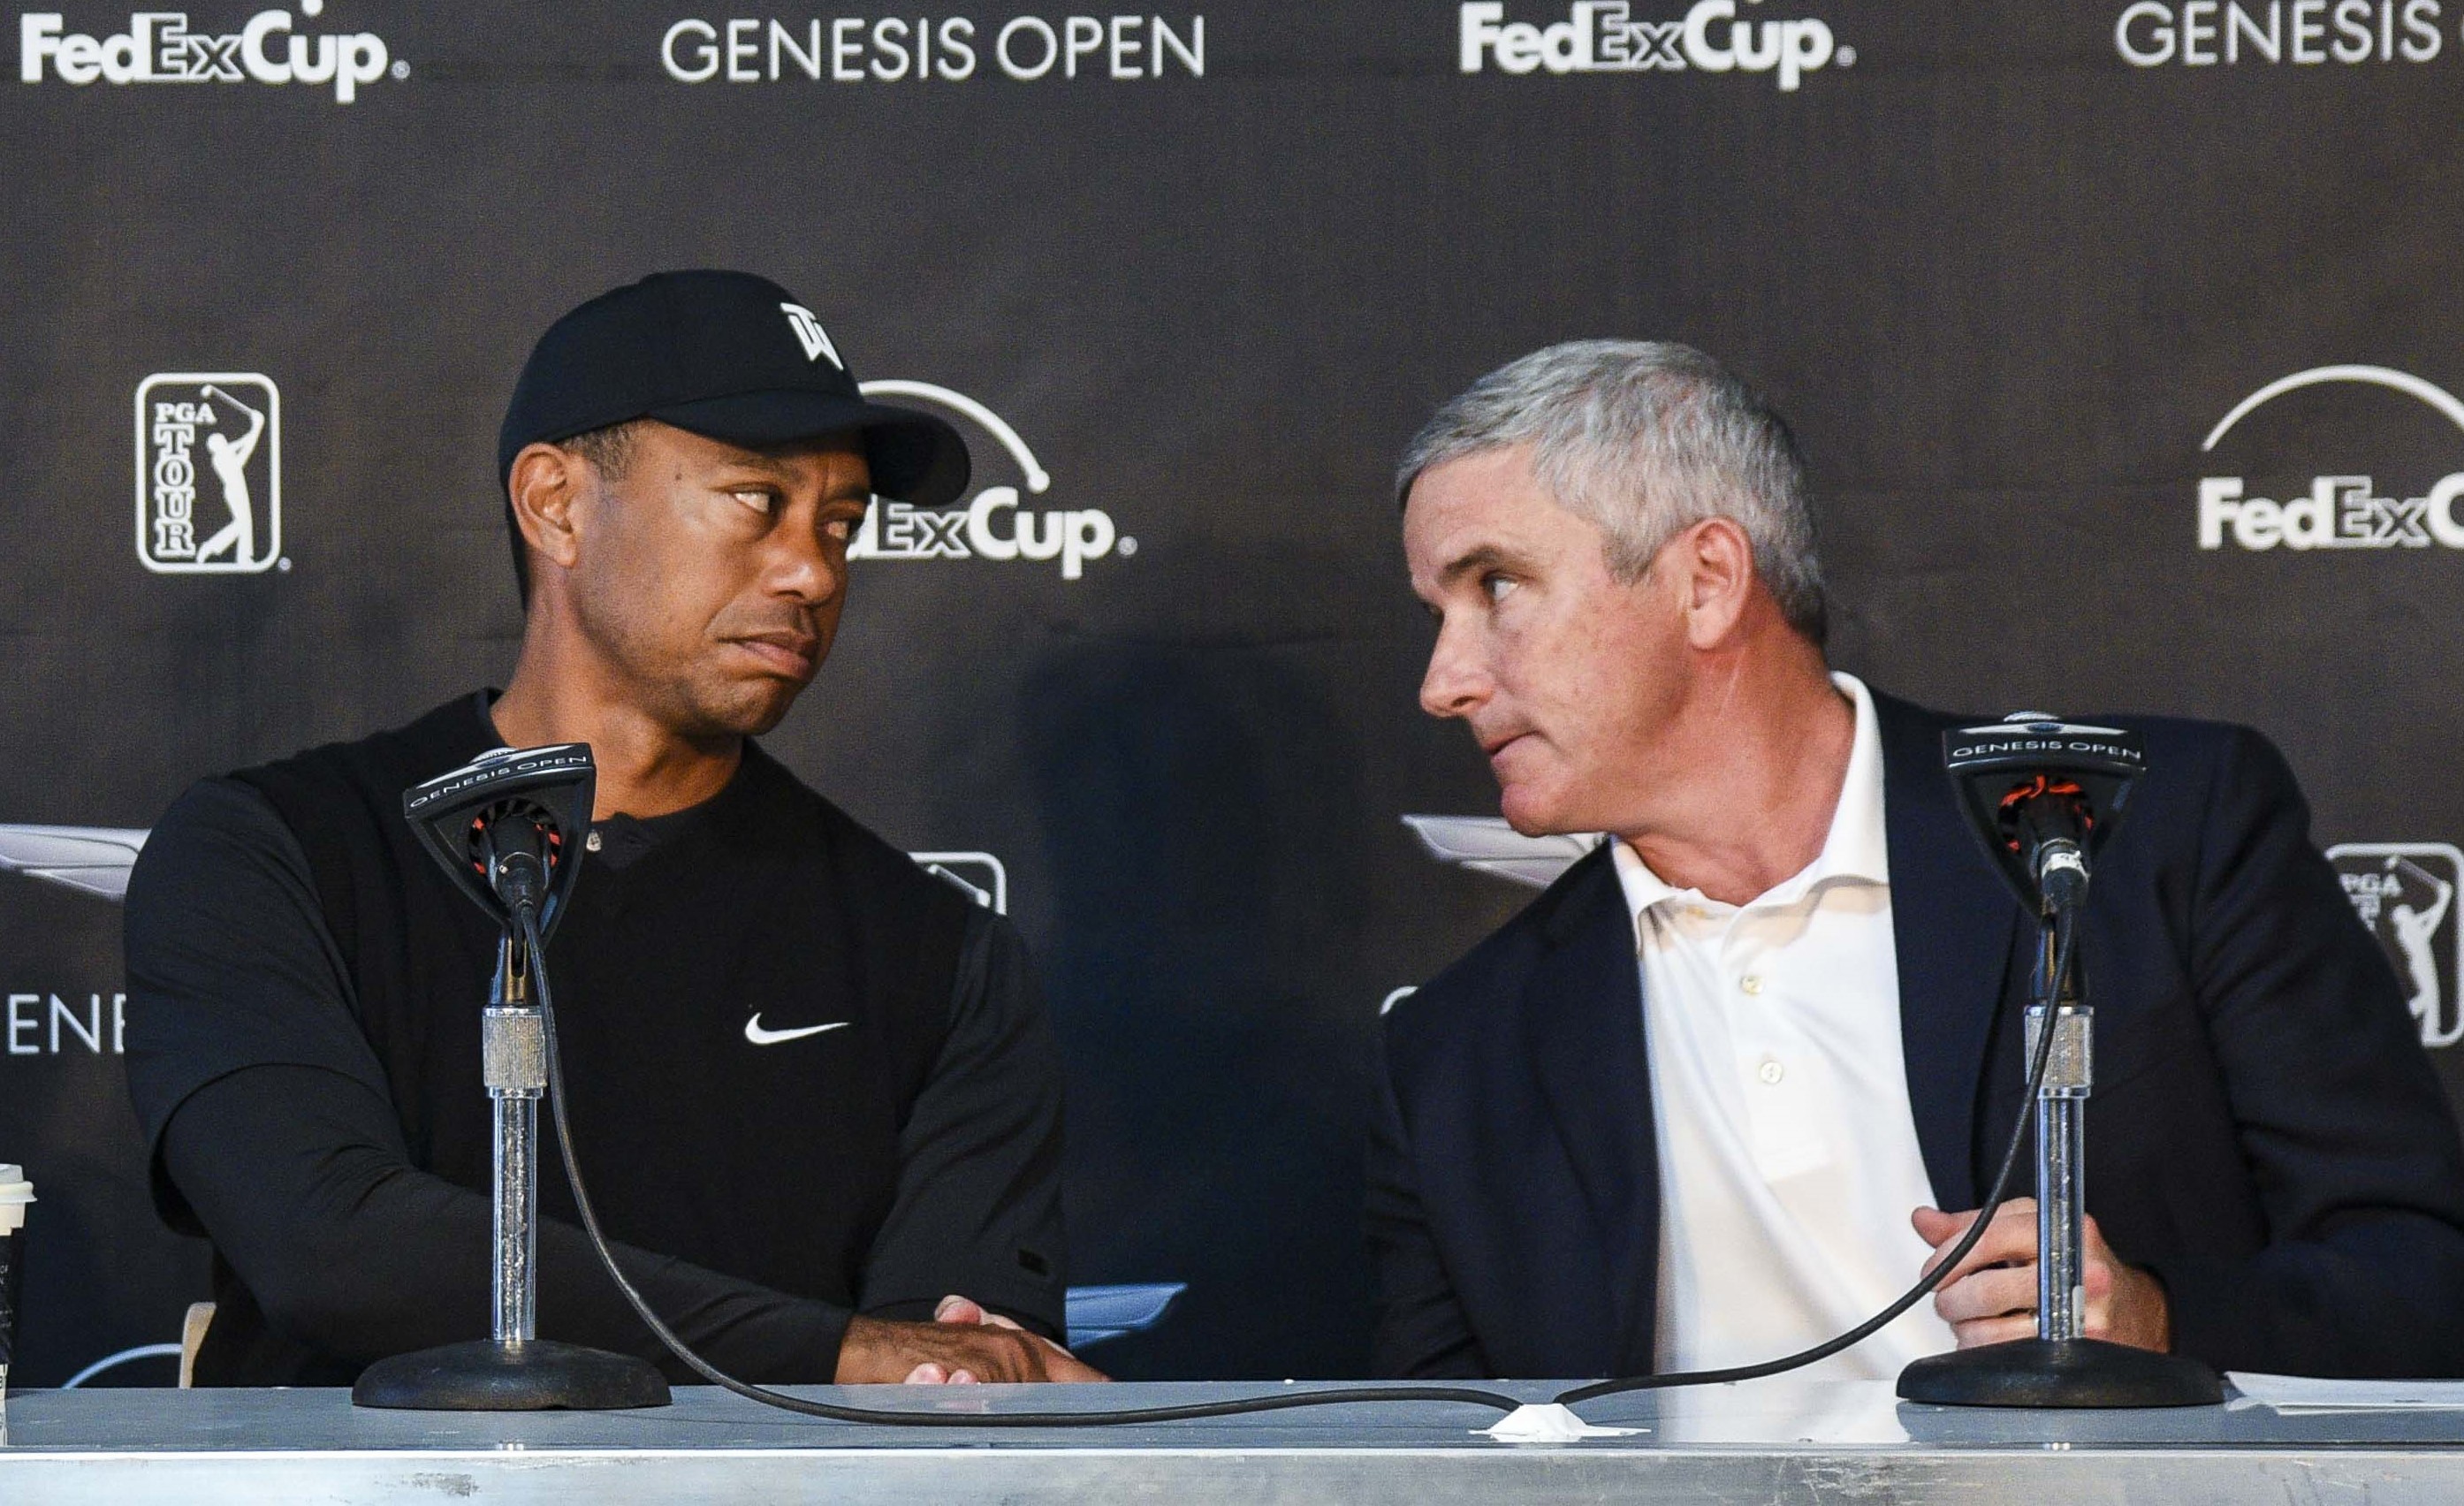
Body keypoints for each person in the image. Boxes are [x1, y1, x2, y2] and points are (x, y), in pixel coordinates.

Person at [1370, 339, 2464, 1381]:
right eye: (1437, 613)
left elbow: (2423, 1281)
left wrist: (2159, 1319)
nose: (1441, 682)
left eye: (1496, 588)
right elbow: (1434, 1457)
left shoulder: (2152, 837)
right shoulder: (1454, 1057)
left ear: (1705, 580)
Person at [125, 270, 1101, 1388]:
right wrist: (836, 1352)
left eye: (841, 523)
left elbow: (950, 1381)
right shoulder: (274, 853)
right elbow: (329, 1244)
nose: (813, 570)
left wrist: (914, 1366)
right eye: (755, 500)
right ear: (556, 503)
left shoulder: (939, 954)